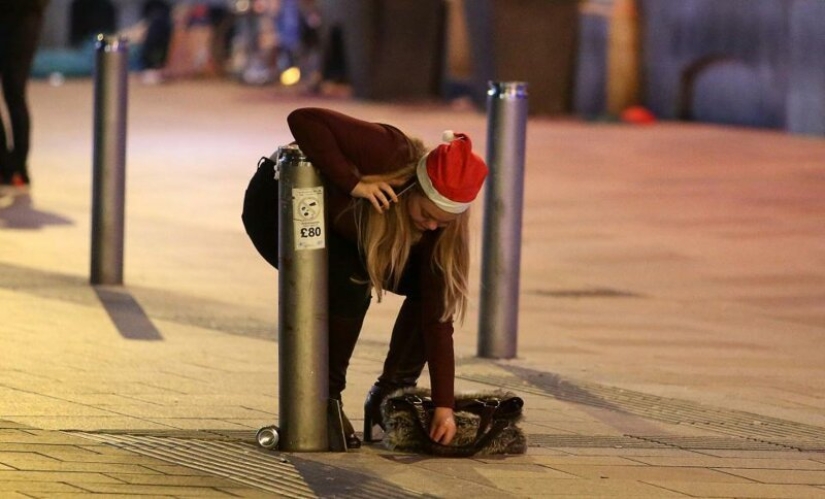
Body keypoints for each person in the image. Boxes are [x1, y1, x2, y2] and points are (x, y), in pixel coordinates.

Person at [242, 107, 488, 448]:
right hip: (277, 205)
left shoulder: (437, 233)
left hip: (343, 230)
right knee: (350, 282)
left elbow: (437, 318)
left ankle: (390, 395)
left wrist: (444, 406)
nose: (431, 226)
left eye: (441, 222)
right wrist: (353, 182)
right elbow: (303, 119)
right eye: (427, 215)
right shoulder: (388, 150)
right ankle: (323, 401)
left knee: (429, 287)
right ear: (414, 187)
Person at [0, 0, 49, 188]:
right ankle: (4, 163)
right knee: (14, 93)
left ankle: (18, 167)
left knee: (14, 91)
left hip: (24, 18)